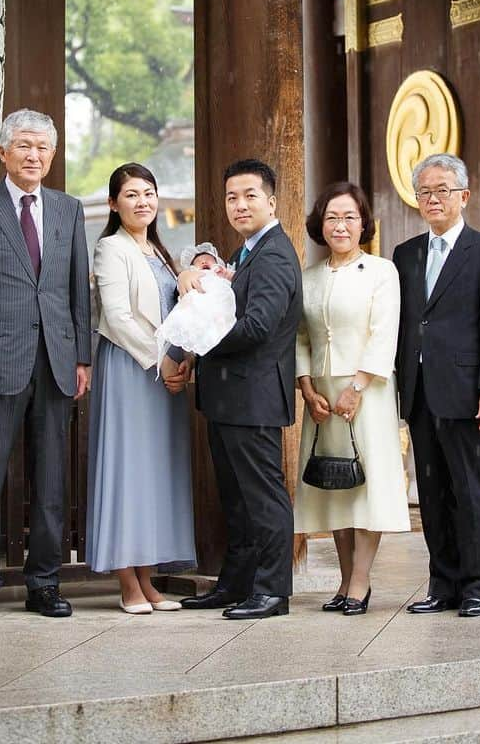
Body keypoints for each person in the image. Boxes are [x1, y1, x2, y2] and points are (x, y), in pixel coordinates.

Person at [0, 109, 92, 620]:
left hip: (55, 360)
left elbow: (77, 290)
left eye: (42, 148)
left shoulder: (70, 209)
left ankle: (44, 584)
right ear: (3, 153)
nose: (33, 156)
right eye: (24, 146)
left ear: (52, 155)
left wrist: (82, 358)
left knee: (52, 481)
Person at [177, 159, 303, 620]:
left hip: (254, 398)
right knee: (236, 498)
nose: (240, 204)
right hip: (231, 397)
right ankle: (237, 583)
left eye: (250, 195)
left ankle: (272, 590)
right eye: (232, 196)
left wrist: (197, 339)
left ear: (271, 201)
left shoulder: (273, 254)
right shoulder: (247, 252)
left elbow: (256, 327)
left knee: (263, 497)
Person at [393, 154, 480, 619]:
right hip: (421, 393)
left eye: (443, 189)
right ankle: (443, 583)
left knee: (474, 490)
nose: (433, 199)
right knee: (433, 492)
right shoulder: (406, 255)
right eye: (424, 191)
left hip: (469, 394)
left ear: (464, 195)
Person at [294, 182, 410, 615]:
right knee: (334, 485)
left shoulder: (382, 272)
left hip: (368, 390)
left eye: (349, 217)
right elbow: (301, 336)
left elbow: (385, 332)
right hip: (322, 393)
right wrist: (306, 386)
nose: (340, 225)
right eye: (331, 217)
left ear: (363, 224)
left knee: (368, 486)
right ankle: (344, 580)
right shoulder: (309, 277)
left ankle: (360, 582)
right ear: (319, 225)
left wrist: (357, 386)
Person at [87, 164, 197, 614]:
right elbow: (116, 316)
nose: (143, 202)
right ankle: (127, 583)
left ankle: (149, 581)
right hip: (131, 368)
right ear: (114, 204)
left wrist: (185, 358)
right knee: (128, 469)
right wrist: (162, 360)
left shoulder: (160, 250)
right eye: (131, 194)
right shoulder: (110, 248)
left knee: (156, 473)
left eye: (149, 193)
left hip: (166, 373)